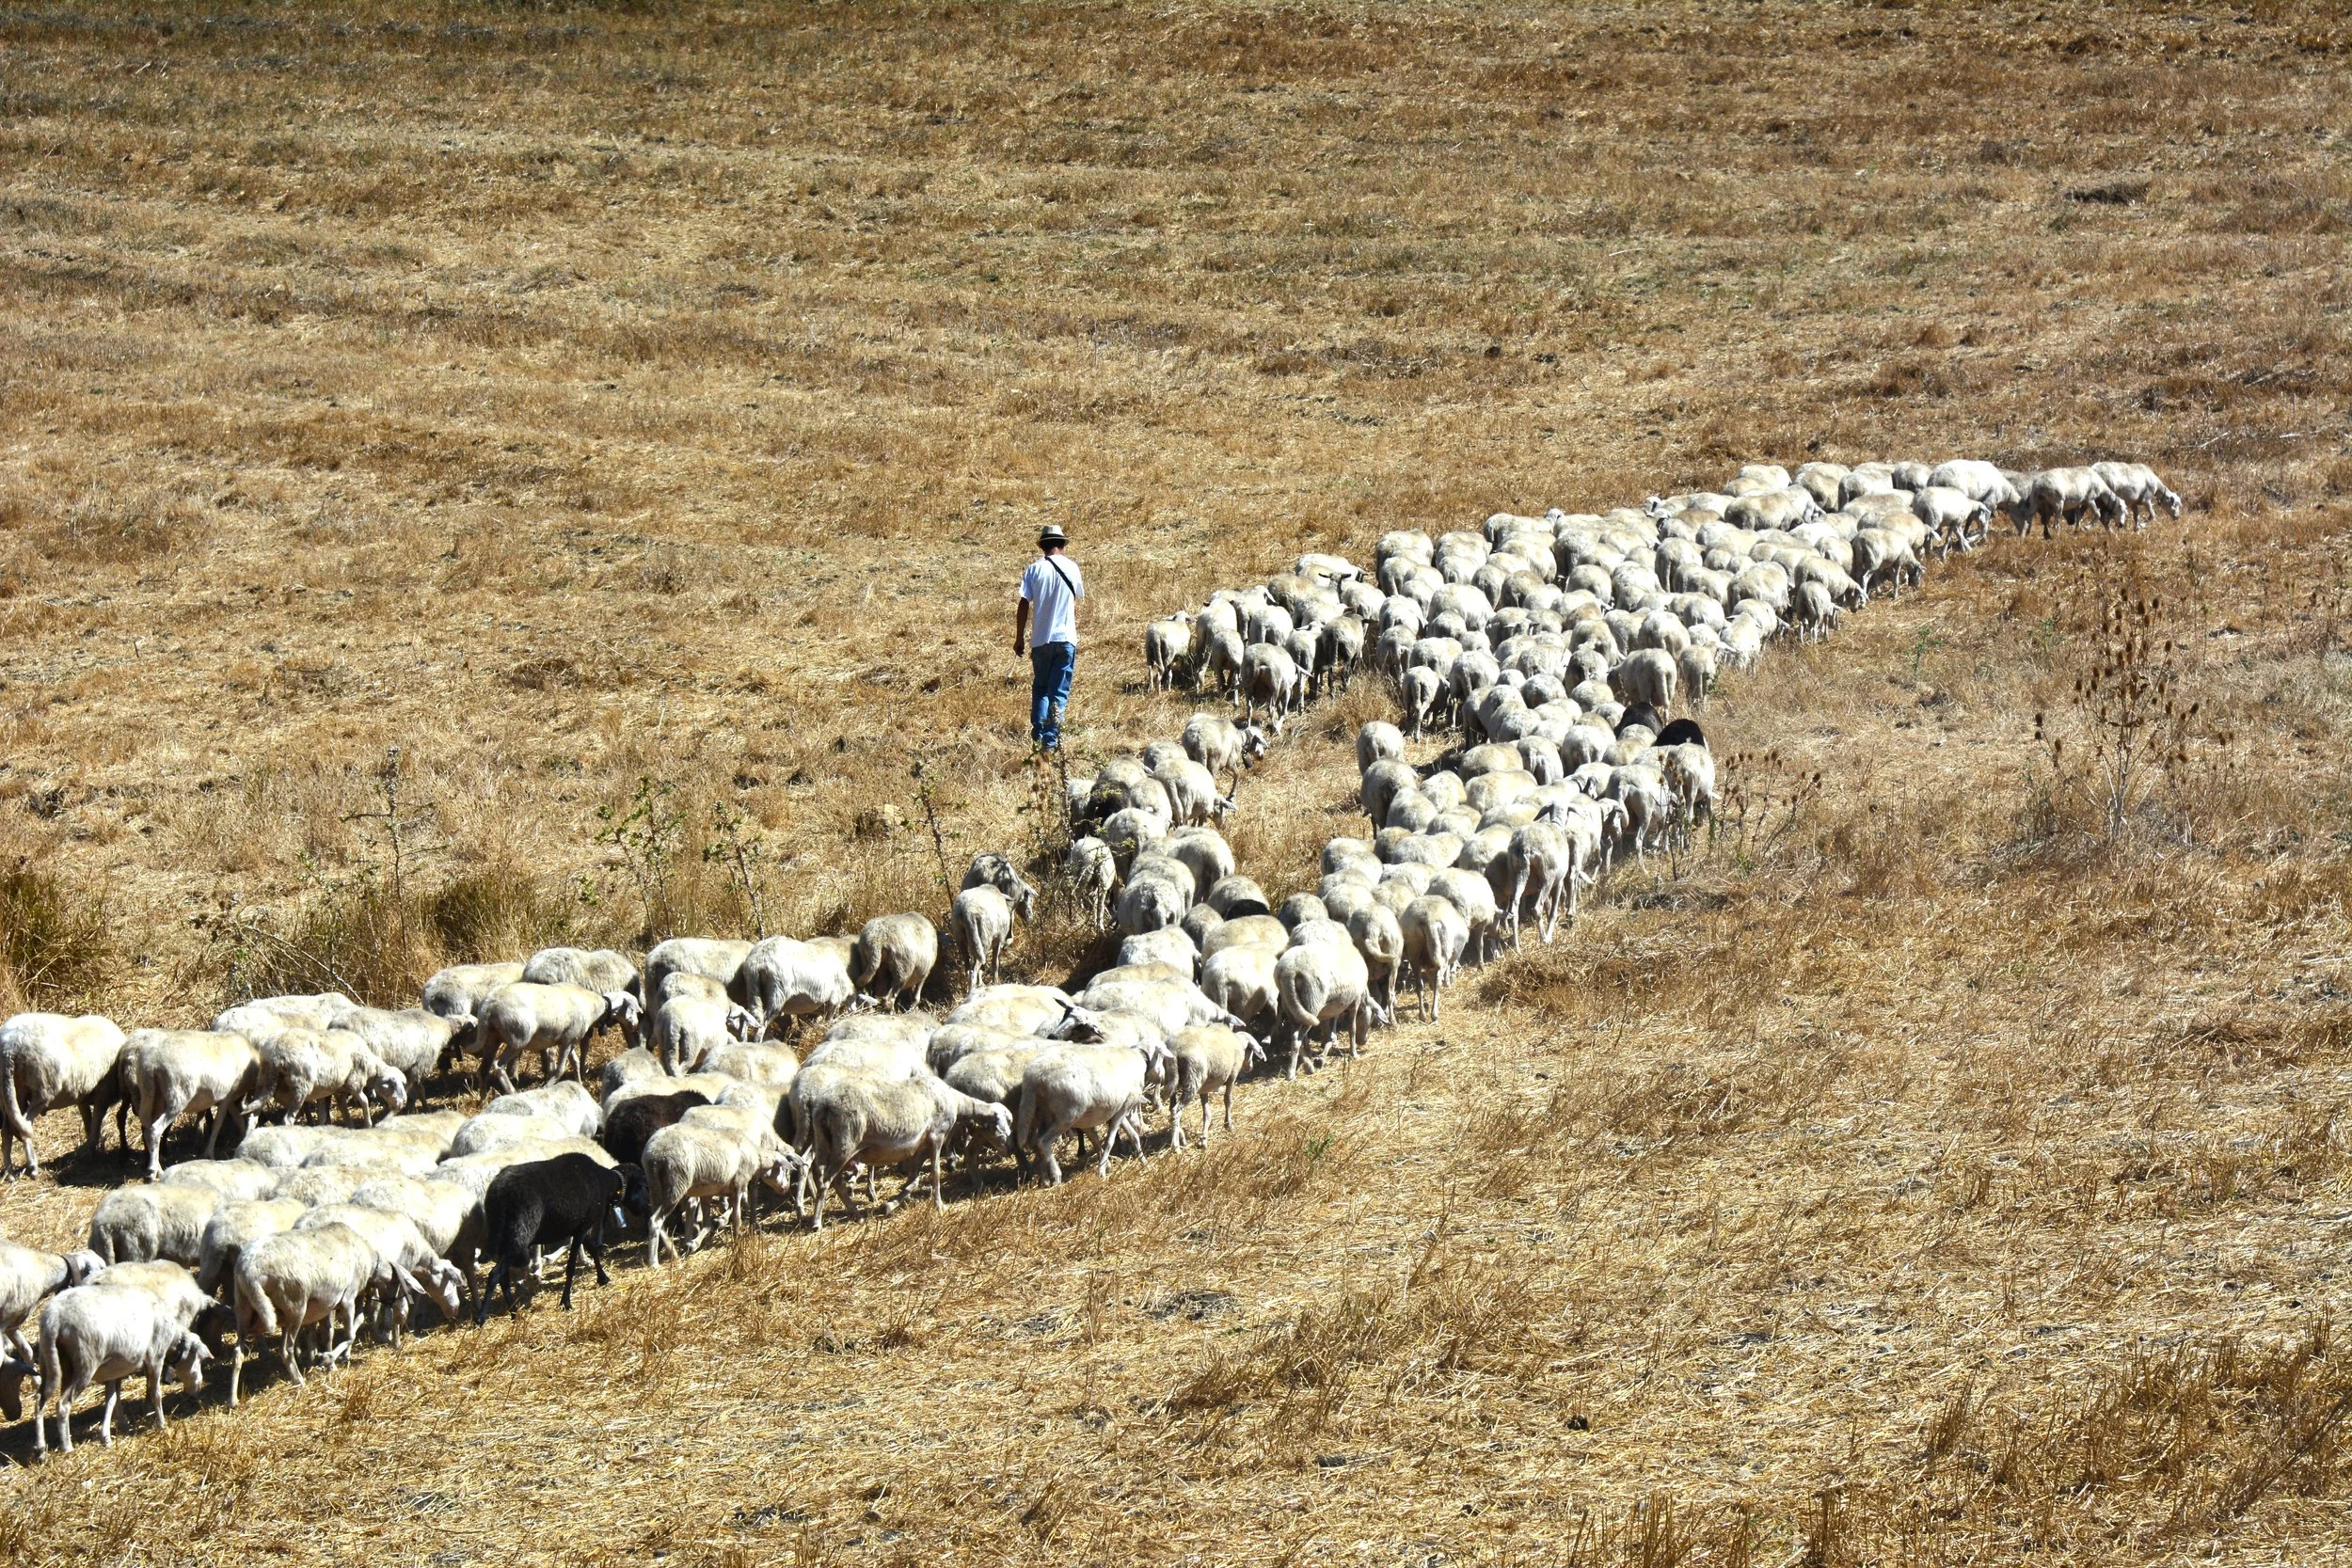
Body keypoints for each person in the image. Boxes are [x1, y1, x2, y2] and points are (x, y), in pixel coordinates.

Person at [1015, 524, 1084, 750]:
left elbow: (1024, 603)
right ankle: (1050, 742)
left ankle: (1038, 733)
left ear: (1043, 546)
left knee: (1041, 688)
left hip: (1040, 640)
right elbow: (1073, 605)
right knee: (1059, 692)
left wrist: (1020, 638)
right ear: (1062, 545)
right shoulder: (1073, 568)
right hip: (1065, 638)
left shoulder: (1034, 570)